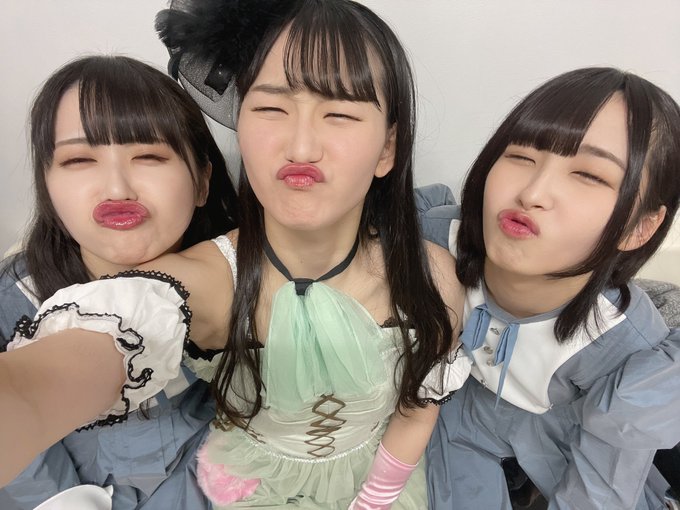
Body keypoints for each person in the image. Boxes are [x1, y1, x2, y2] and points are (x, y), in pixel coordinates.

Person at [0, 0, 471, 508]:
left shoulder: (432, 276)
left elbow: (418, 405)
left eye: (339, 113)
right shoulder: (206, 280)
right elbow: (79, 356)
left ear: (388, 149)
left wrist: (376, 498)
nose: (301, 146)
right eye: (271, 108)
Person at [422, 67, 680, 509]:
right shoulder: (437, 236)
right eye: (521, 156)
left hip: (560, 425)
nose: (533, 192)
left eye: (590, 175)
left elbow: (601, 487)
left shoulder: (618, 344)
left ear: (639, 227)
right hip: (461, 408)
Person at [0, 54, 238, 509]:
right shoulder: (17, 297)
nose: (116, 188)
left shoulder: (239, 275)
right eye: (78, 159)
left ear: (202, 181)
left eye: (149, 155)